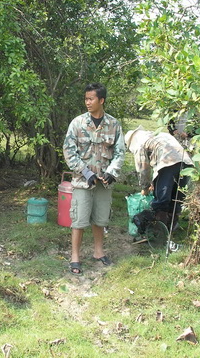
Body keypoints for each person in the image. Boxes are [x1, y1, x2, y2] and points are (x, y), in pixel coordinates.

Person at [63, 83, 125, 275]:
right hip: (83, 181)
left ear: (101, 100)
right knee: (79, 220)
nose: (87, 102)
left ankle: (99, 252)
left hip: (103, 183)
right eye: (86, 99)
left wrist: (112, 172)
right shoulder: (78, 123)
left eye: (91, 99)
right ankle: (75, 257)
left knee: (100, 219)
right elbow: (69, 151)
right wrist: (86, 172)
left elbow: (120, 152)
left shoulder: (114, 124)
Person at [124, 126, 193, 232]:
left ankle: (160, 232)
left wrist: (145, 187)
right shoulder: (160, 135)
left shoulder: (140, 143)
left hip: (168, 163)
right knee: (176, 198)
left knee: (162, 200)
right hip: (186, 162)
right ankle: (171, 228)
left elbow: (143, 169)